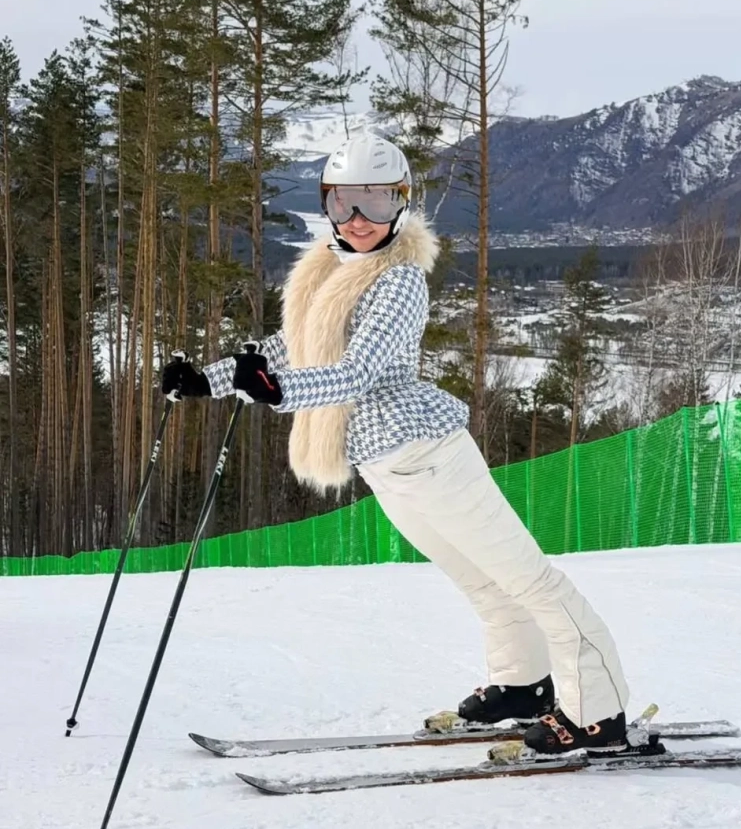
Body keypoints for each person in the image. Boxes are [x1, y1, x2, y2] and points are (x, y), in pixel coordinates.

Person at [162, 133, 630, 755]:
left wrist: (276, 391)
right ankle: (522, 685)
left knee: (528, 579)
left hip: (428, 455)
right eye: (344, 202)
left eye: (377, 202)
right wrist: (209, 379)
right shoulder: (329, 271)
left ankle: (599, 712)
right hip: (383, 464)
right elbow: (290, 350)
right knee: (478, 579)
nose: (359, 219)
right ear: (327, 204)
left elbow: (357, 372)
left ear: (402, 204)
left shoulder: (400, 280)